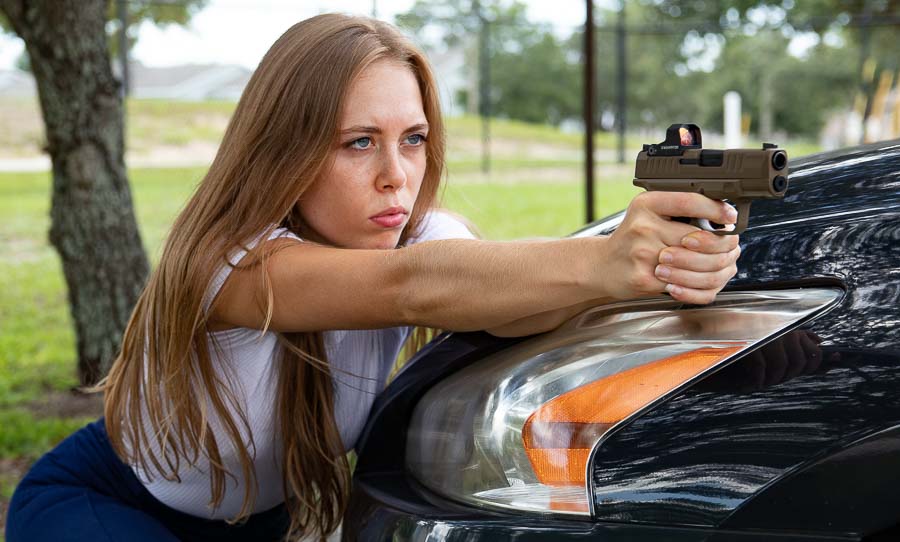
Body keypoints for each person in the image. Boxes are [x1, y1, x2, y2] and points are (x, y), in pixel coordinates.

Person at [5, 13, 740, 542]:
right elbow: (414, 286)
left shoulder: (410, 229)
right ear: (283, 152)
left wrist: (648, 261)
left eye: (413, 139)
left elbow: (501, 302)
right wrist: (609, 258)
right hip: (106, 502)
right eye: (359, 143)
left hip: (260, 524)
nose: (397, 176)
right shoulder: (225, 260)